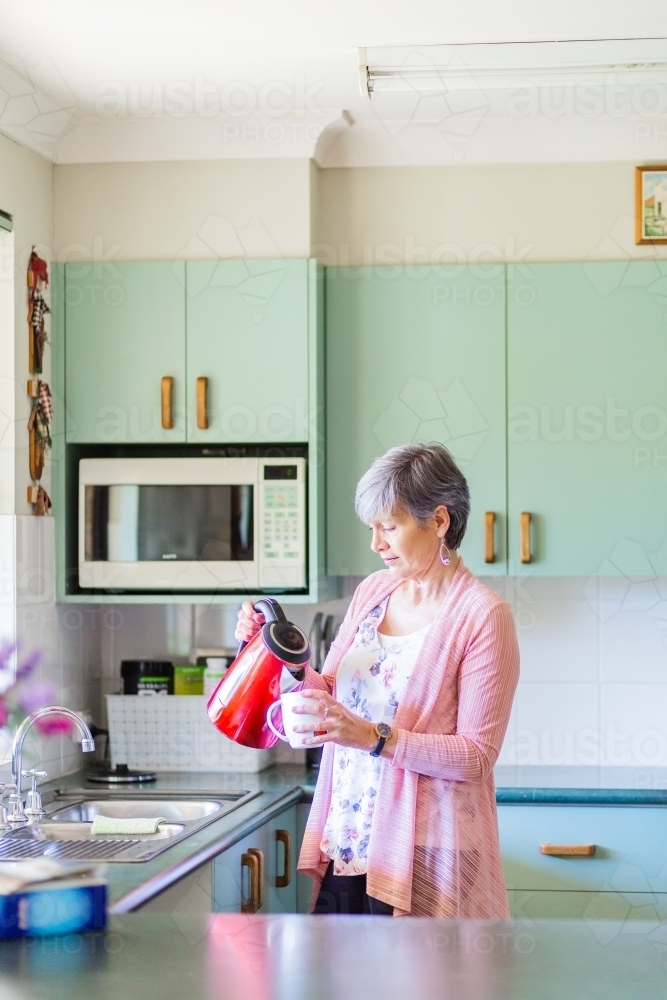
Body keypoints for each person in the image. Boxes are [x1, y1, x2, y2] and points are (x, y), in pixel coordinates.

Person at [236, 442, 520, 917]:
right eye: (372, 528)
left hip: (428, 850)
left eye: (390, 526)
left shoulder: (483, 616)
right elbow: (325, 695)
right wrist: (272, 649)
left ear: (440, 521)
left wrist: (370, 737)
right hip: (347, 837)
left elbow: (475, 756)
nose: (377, 544)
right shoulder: (373, 591)